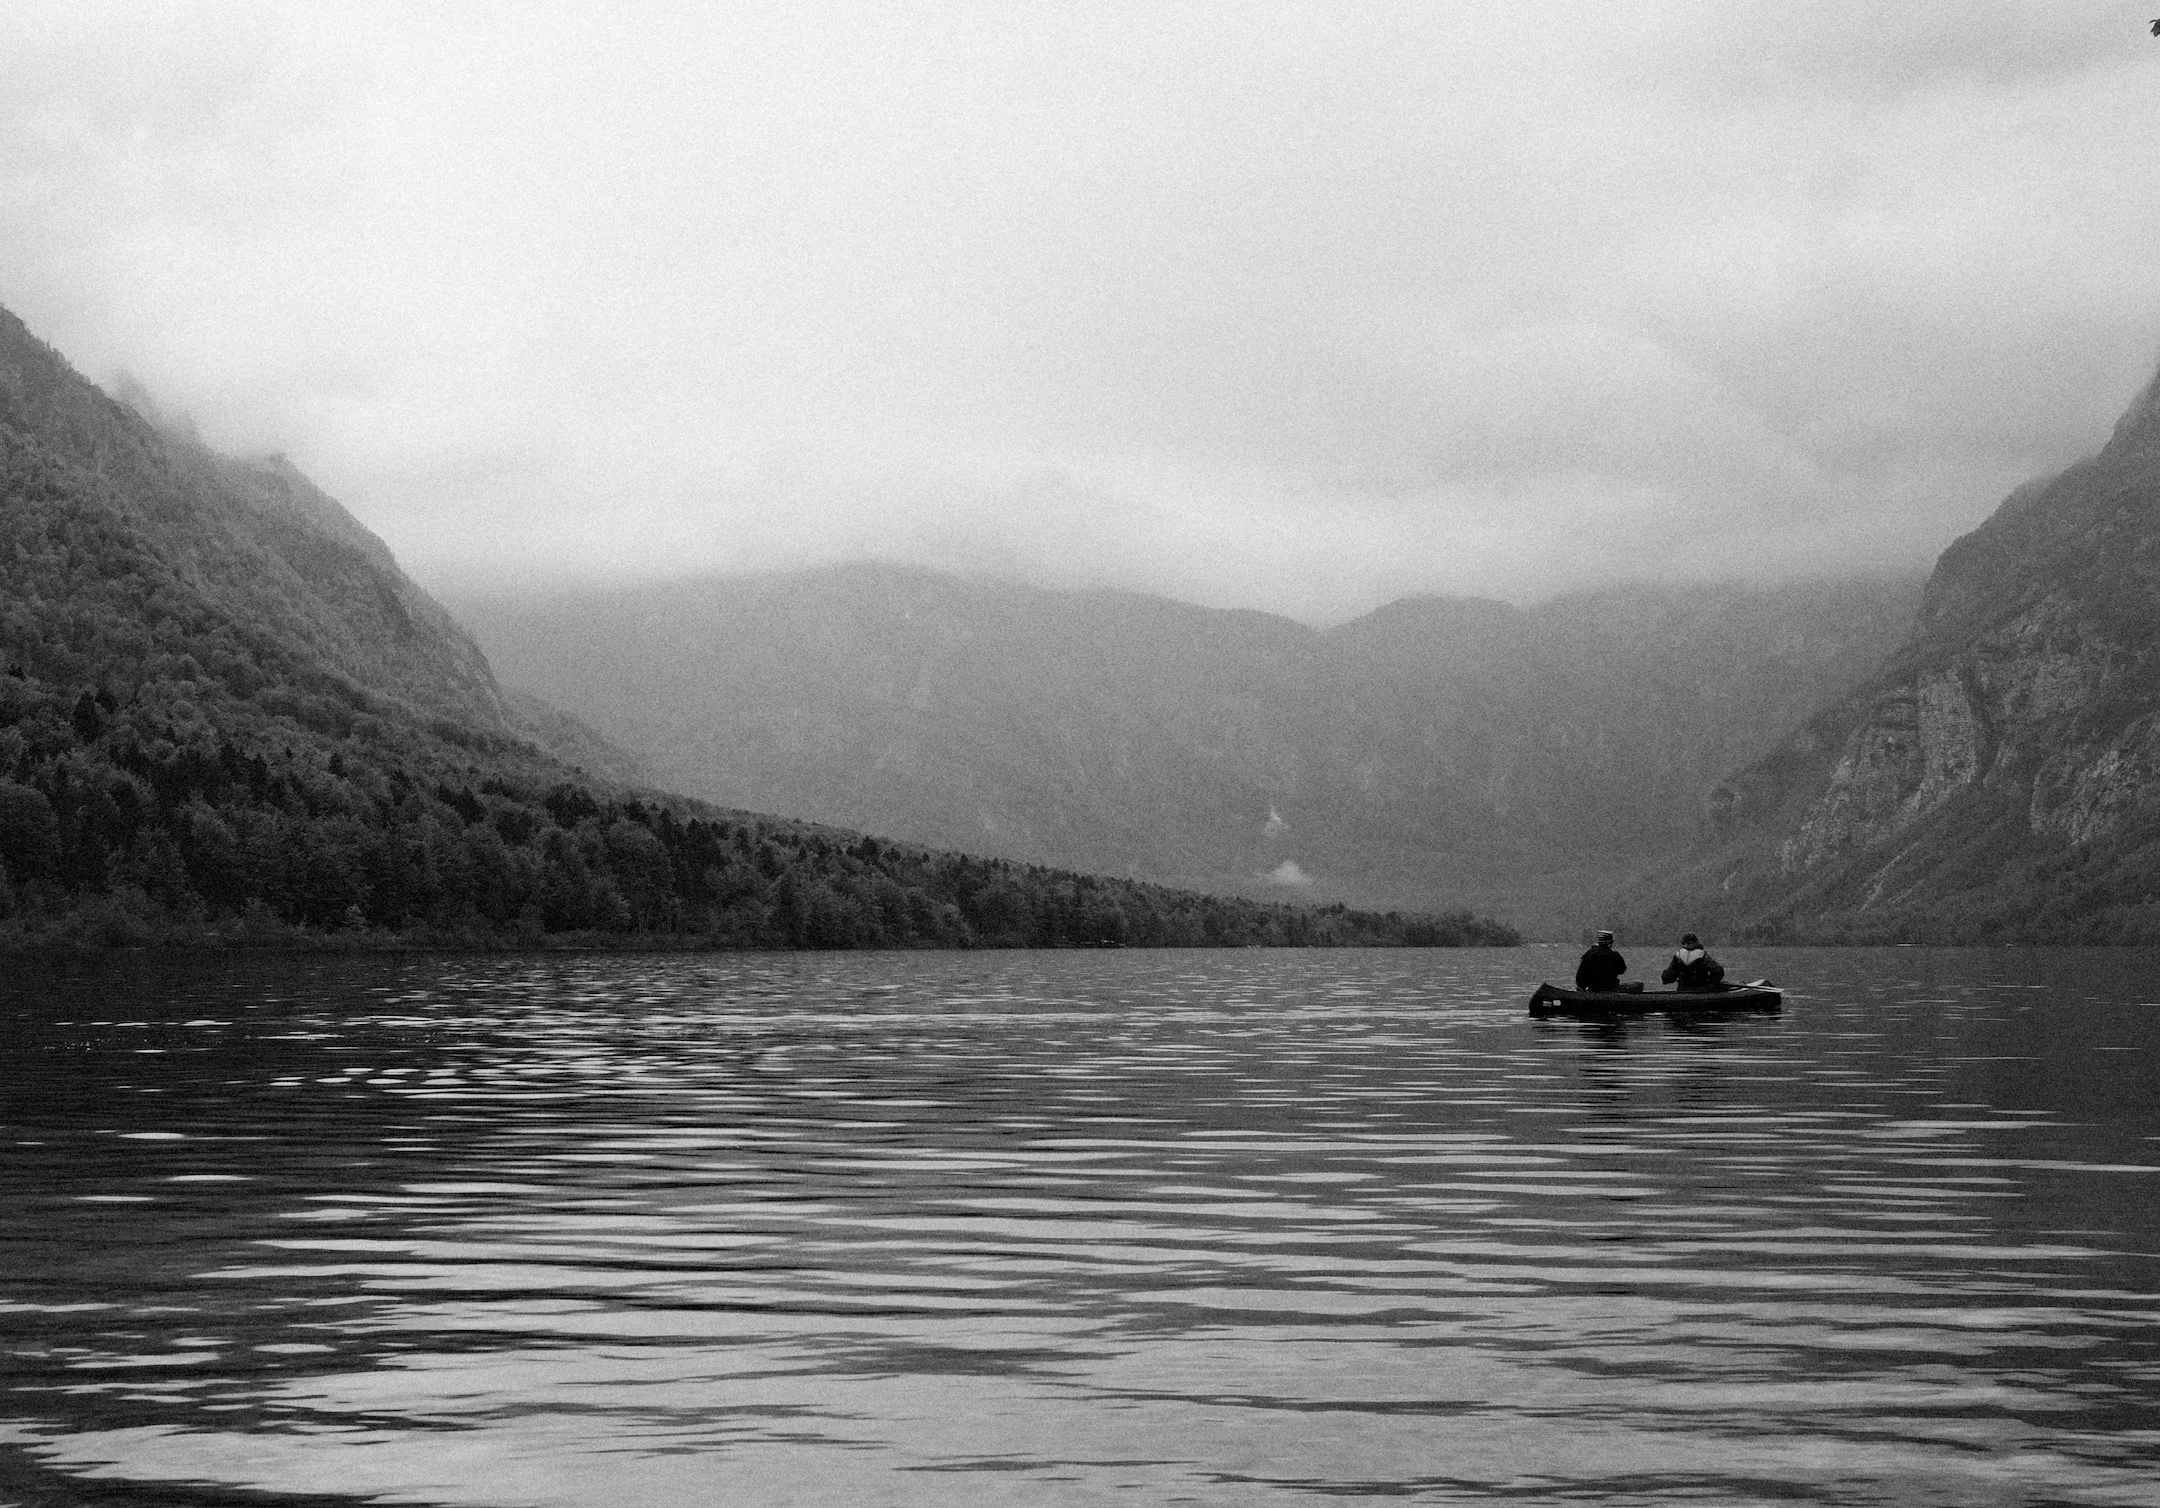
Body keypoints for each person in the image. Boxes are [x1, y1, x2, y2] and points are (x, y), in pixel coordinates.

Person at [1661, 933, 1726, 991]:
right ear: (1696, 943)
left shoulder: (1678, 956)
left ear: (1683, 943)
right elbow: (1718, 971)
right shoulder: (1702, 955)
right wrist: (1712, 980)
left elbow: (1666, 977)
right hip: (1702, 990)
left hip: (1682, 990)